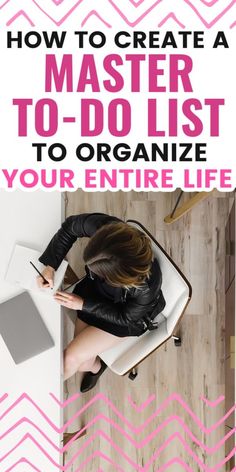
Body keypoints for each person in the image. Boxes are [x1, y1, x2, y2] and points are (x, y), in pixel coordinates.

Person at [37, 213, 165, 392]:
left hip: (122, 317)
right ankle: (96, 367)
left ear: (120, 279)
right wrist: (50, 267)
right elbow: (70, 227)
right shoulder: (106, 231)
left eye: (101, 274)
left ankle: (40, 391)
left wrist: (83, 305)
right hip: (94, 294)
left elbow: (126, 318)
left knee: (71, 360)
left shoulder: (146, 286)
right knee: (82, 364)